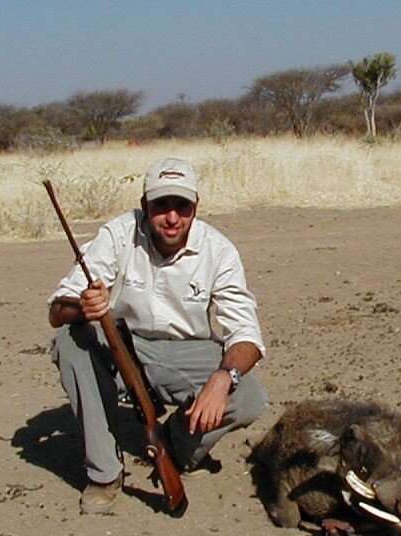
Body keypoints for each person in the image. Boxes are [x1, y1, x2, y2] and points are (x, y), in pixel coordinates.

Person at [48, 157, 267, 514]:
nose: (171, 217)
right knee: (70, 342)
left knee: (250, 396)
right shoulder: (117, 235)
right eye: (161, 206)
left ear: (195, 208)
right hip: (121, 346)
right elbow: (57, 311)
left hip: (188, 351)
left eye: (182, 206)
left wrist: (222, 379)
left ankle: (174, 446)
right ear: (143, 206)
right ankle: (104, 473)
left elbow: (247, 335)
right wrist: (82, 306)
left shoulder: (219, 249)